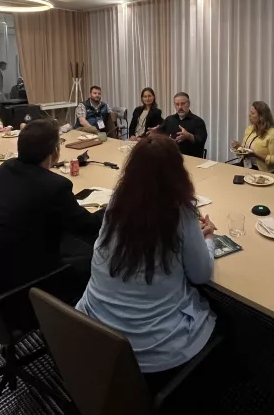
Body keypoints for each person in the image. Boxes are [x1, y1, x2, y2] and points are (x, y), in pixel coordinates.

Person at [76, 134, 217, 384]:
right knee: (224, 317)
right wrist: (208, 238)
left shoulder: (117, 201)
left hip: (93, 330)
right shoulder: (179, 210)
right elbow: (200, 275)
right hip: (154, 349)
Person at [0, 120, 104, 325]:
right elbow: (89, 227)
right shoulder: (54, 186)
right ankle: (78, 325)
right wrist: (111, 207)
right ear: (55, 152)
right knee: (97, 258)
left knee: (69, 242)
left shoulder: (6, 168)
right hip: (18, 290)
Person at [231, 101, 274, 172]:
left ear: (262, 116)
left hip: (261, 171)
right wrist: (239, 147)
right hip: (245, 166)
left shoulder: (273, 134)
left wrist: (255, 155)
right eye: (250, 112)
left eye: (252, 113)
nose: (249, 115)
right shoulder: (250, 129)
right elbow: (245, 151)